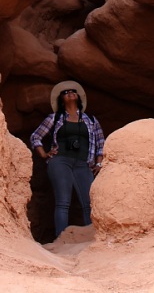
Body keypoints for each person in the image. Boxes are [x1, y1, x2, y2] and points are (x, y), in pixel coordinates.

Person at [30, 80, 105, 238]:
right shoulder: (55, 118)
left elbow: (101, 143)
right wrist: (44, 154)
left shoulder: (90, 120)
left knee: (89, 202)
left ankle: (92, 238)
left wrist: (99, 162)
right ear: (61, 100)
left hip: (84, 164)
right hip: (61, 161)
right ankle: (61, 239)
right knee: (63, 202)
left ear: (78, 97)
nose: (70, 93)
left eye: (73, 91)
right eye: (65, 92)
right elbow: (36, 136)